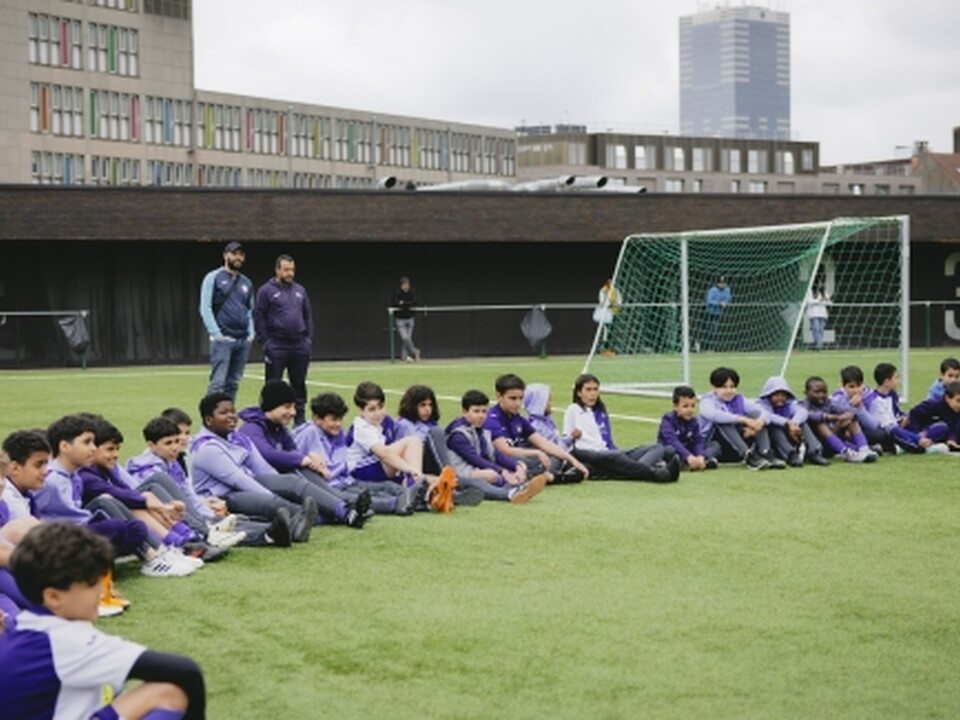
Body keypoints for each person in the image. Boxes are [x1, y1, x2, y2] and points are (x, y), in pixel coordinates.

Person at [0, 522, 206, 720]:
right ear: (53, 596)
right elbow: (186, 671)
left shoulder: (23, 623)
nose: (101, 591)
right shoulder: (67, 640)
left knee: (110, 690)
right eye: (90, 584)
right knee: (171, 692)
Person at [191, 392, 366, 534]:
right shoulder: (207, 448)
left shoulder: (238, 437)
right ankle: (324, 515)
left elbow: (262, 467)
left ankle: (343, 509)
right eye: (223, 413)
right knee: (271, 502)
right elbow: (238, 479)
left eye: (232, 411)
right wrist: (274, 494)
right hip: (224, 496)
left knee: (292, 481)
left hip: (249, 483)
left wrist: (283, 485)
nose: (231, 416)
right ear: (208, 420)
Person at [128, 416, 295, 547]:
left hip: (189, 514)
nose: (175, 448)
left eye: (176, 442)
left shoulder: (172, 463)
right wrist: (205, 517)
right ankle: (269, 534)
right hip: (170, 521)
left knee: (223, 521)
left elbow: (188, 494)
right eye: (168, 443)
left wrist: (207, 511)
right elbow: (166, 505)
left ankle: (280, 530)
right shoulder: (148, 472)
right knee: (214, 528)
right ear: (151, 445)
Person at [293, 392, 426, 516]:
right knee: (363, 497)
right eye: (333, 419)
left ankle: (419, 498)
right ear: (317, 419)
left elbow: (340, 461)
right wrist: (307, 459)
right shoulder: (308, 432)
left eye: (340, 419)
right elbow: (291, 455)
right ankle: (396, 504)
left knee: (387, 486)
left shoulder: (338, 433)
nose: (338, 424)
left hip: (346, 480)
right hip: (329, 487)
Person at [346, 381, 456, 512]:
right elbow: (383, 453)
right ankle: (417, 490)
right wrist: (409, 469)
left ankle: (448, 490)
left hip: (379, 468)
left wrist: (412, 470)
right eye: (372, 409)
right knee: (413, 443)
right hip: (361, 471)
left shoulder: (384, 421)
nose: (378, 413)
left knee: (428, 477)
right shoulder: (361, 427)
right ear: (360, 410)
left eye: (380, 407)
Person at [562, 374, 679, 482]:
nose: (592, 394)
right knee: (616, 457)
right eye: (588, 390)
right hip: (589, 453)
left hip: (608, 451)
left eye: (595, 389)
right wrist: (573, 436)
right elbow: (566, 441)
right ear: (579, 393)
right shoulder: (573, 410)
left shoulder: (601, 411)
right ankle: (653, 473)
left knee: (657, 448)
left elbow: (607, 440)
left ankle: (635, 470)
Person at [445, 390, 547, 504]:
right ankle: (512, 493)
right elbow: (475, 459)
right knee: (491, 475)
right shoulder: (458, 434)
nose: (481, 416)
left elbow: (495, 453)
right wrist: (502, 471)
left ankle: (519, 486)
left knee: (518, 465)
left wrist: (515, 466)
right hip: (459, 472)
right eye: (476, 411)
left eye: (484, 411)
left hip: (475, 468)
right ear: (464, 412)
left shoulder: (481, 429)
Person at [484, 373, 589, 483]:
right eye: (513, 398)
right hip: (503, 460)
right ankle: (552, 477)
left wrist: (573, 460)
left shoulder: (518, 419)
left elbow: (543, 443)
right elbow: (506, 451)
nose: (518, 403)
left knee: (555, 456)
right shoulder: (492, 419)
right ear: (498, 396)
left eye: (520, 398)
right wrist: (536, 453)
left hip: (522, 460)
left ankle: (539, 477)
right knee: (523, 462)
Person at [254, 254, 313, 425]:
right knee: (273, 385)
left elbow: (308, 315)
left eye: (292, 270)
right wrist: (266, 342)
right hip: (277, 345)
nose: (290, 273)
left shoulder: (300, 290)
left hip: (299, 345)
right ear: (277, 270)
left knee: (299, 383)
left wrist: (307, 339)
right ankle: (269, 420)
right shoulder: (266, 290)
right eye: (286, 270)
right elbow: (259, 316)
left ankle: (299, 419)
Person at [199, 240, 255, 402]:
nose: (238, 257)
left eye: (241, 254)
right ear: (225, 256)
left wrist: (251, 333)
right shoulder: (213, 277)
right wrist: (216, 334)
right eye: (234, 253)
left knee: (234, 383)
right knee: (217, 384)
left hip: (242, 340)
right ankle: (210, 420)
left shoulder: (246, 282)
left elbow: (250, 309)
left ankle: (227, 419)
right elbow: (205, 307)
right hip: (223, 339)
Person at [698, 367, 784, 469]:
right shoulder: (707, 401)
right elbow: (713, 414)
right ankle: (747, 455)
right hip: (715, 445)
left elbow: (764, 412)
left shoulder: (739, 399)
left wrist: (759, 423)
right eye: (724, 387)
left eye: (732, 387)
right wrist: (745, 420)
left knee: (757, 417)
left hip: (737, 442)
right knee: (724, 420)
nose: (729, 391)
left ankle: (765, 452)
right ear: (713, 387)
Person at [755, 376, 829, 466]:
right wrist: (787, 423)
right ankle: (790, 454)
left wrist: (794, 423)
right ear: (768, 395)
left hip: (791, 433)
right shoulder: (761, 405)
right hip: (774, 440)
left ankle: (814, 452)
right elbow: (768, 416)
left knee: (803, 423)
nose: (780, 398)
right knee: (774, 426)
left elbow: (803, 411)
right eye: (776, 395)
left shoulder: (789, 405)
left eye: (783, 395)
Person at [863, 363, 927, 454]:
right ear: (886, 381)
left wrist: (903, 418)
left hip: (895, 425)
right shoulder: (873, 399)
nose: (898, 381)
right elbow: (885, 423)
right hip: (885, 430)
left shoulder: (892, 395)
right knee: (893, 431)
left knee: (916, 419)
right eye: (896, 378)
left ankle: (922, 439)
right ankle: (917, 443)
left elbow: (896, 412)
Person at [657, 385, 719, 471]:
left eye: (693, 406)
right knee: (668, 450)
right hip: (675, 449)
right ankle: (688, 463)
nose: (690, 410)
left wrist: (700, 456)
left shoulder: (693, 421)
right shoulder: (668, 420)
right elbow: (672, 441)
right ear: (675, 406)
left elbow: (698, 440)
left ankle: (699, 462)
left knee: (714, 445)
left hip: (689, 450)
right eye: (685, 406)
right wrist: (688, 456)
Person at [829, 365, 880, 462]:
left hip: (863, 431)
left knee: (880, 434)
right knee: (850, 420)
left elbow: (873, 425)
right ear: (844, 387)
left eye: (859, 385)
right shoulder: (836, 398)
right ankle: (860, 449)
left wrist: (860, 407)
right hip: (840, 432)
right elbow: (831, 426)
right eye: (851, 387)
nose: (856, 390)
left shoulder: (870, 396)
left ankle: (862, 448)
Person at [906, 380, 960, 452]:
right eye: (958, 401)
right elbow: (914, 413)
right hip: (924, 430)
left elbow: (955, 426)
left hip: (944, 434)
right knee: (942, 427)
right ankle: (916, 443)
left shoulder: (956, 410)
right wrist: (915, 433)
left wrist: (952, 439)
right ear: (947, 398)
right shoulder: (934, 404)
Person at [391, 276, 420, 362]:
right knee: (405, 338)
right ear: (401, 285)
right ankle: (415, 351)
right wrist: (407, 304)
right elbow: (395, 303)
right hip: (400, 319)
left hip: (410, 318)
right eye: (405, 284)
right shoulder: (397, 292)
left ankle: (404, 357)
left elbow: (414, 302)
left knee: (408, 338)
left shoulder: (412, 291)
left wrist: (404, 302)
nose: (406, 286)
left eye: (408, 284)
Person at [701, 275, 730, 351]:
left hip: (718, 313)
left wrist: (725, 303)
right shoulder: (712, 290)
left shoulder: (727, 290)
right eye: (720, 283)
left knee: (714, 330)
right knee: (708, 330)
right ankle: (704, 347)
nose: (722, 284)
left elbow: (728, 299)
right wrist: (719, 303)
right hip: (709, 312)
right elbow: (709, 300)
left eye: (724, 283)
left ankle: (710, 347)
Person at [593, 278, 620, 353]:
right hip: (605, 313)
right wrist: (606, 298)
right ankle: (603, 348)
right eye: (609, 282)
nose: (611, 284)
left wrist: (615, 304)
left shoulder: (616, 290)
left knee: (613, 331)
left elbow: (619, 301)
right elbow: (602, 303)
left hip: (614, 312)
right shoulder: (603, 290)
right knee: (605, 331)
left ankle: (611, 348)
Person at [806, 284, 830, 351]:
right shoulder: (809, 291)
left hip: (822, 314)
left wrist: (826, 300)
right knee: (816, 329)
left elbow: (828, 303)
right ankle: (819, 346)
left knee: (821, 330)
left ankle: (818, 344)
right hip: (813, 314)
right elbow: (809, 301)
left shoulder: (824, 292)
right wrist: (819, 300)